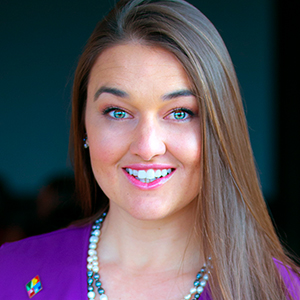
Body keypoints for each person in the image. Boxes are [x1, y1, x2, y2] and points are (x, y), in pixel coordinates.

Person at [0, 0, 299, 299]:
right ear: (83, 126)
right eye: (117, 112)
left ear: (220, 129)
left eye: (180, 112)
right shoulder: (10, 274)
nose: (147, 147)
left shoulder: (281, 291)